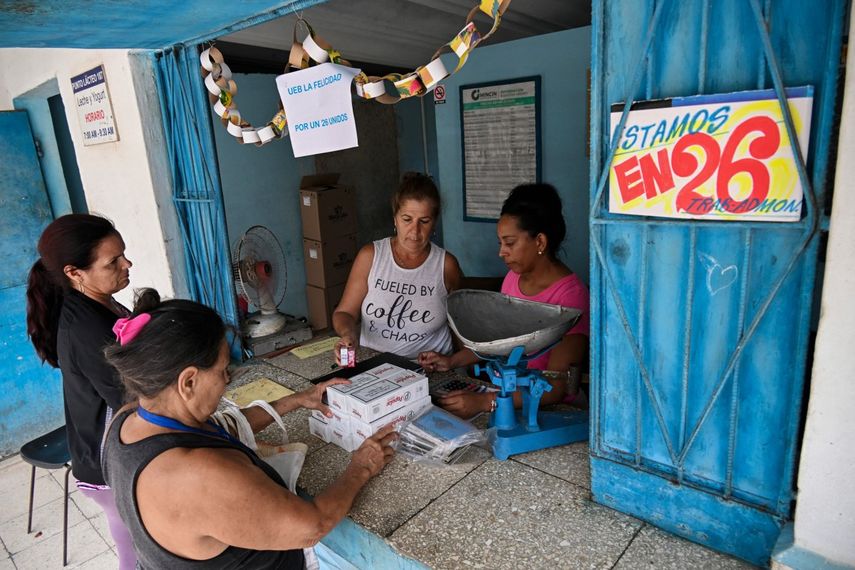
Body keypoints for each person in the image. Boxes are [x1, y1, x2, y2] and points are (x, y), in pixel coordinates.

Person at [101, 289, 397, 569]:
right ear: (188, 382)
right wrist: (361, 467)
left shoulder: (128, 420)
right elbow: (312, 527)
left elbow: (222, 426)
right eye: (222, 370)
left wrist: (297, 400)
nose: (227, 380)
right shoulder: (199, 476)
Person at [419, 183, 590, 418]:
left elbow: (557, 387)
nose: (502, 252)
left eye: (510, 243)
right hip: (506, 396)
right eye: (500, 243)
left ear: (540, 242)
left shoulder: (571, 296)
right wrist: (451, 361)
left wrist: (485, 402)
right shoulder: (513, 278)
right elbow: (498, 343)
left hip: (553, 411)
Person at [25, 213, 137, 568]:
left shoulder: (98, 302)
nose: (127, 264)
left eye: (123, 254)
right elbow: (133, 402)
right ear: (75, 273)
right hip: (107, 468)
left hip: (107, 452)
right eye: (113, 261)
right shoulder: (87, 330)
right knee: (137, 556)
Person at [332, 172, 463, 362]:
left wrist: (454, 364)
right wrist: (348, 334)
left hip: (428, 369)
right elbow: (344, 312)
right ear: (395, 218)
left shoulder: (446, 266)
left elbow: (461, 326)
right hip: (374, 365)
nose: (414, 231)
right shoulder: (371, 256)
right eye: (407, 219)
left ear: (434, 222)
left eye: (424, 221)